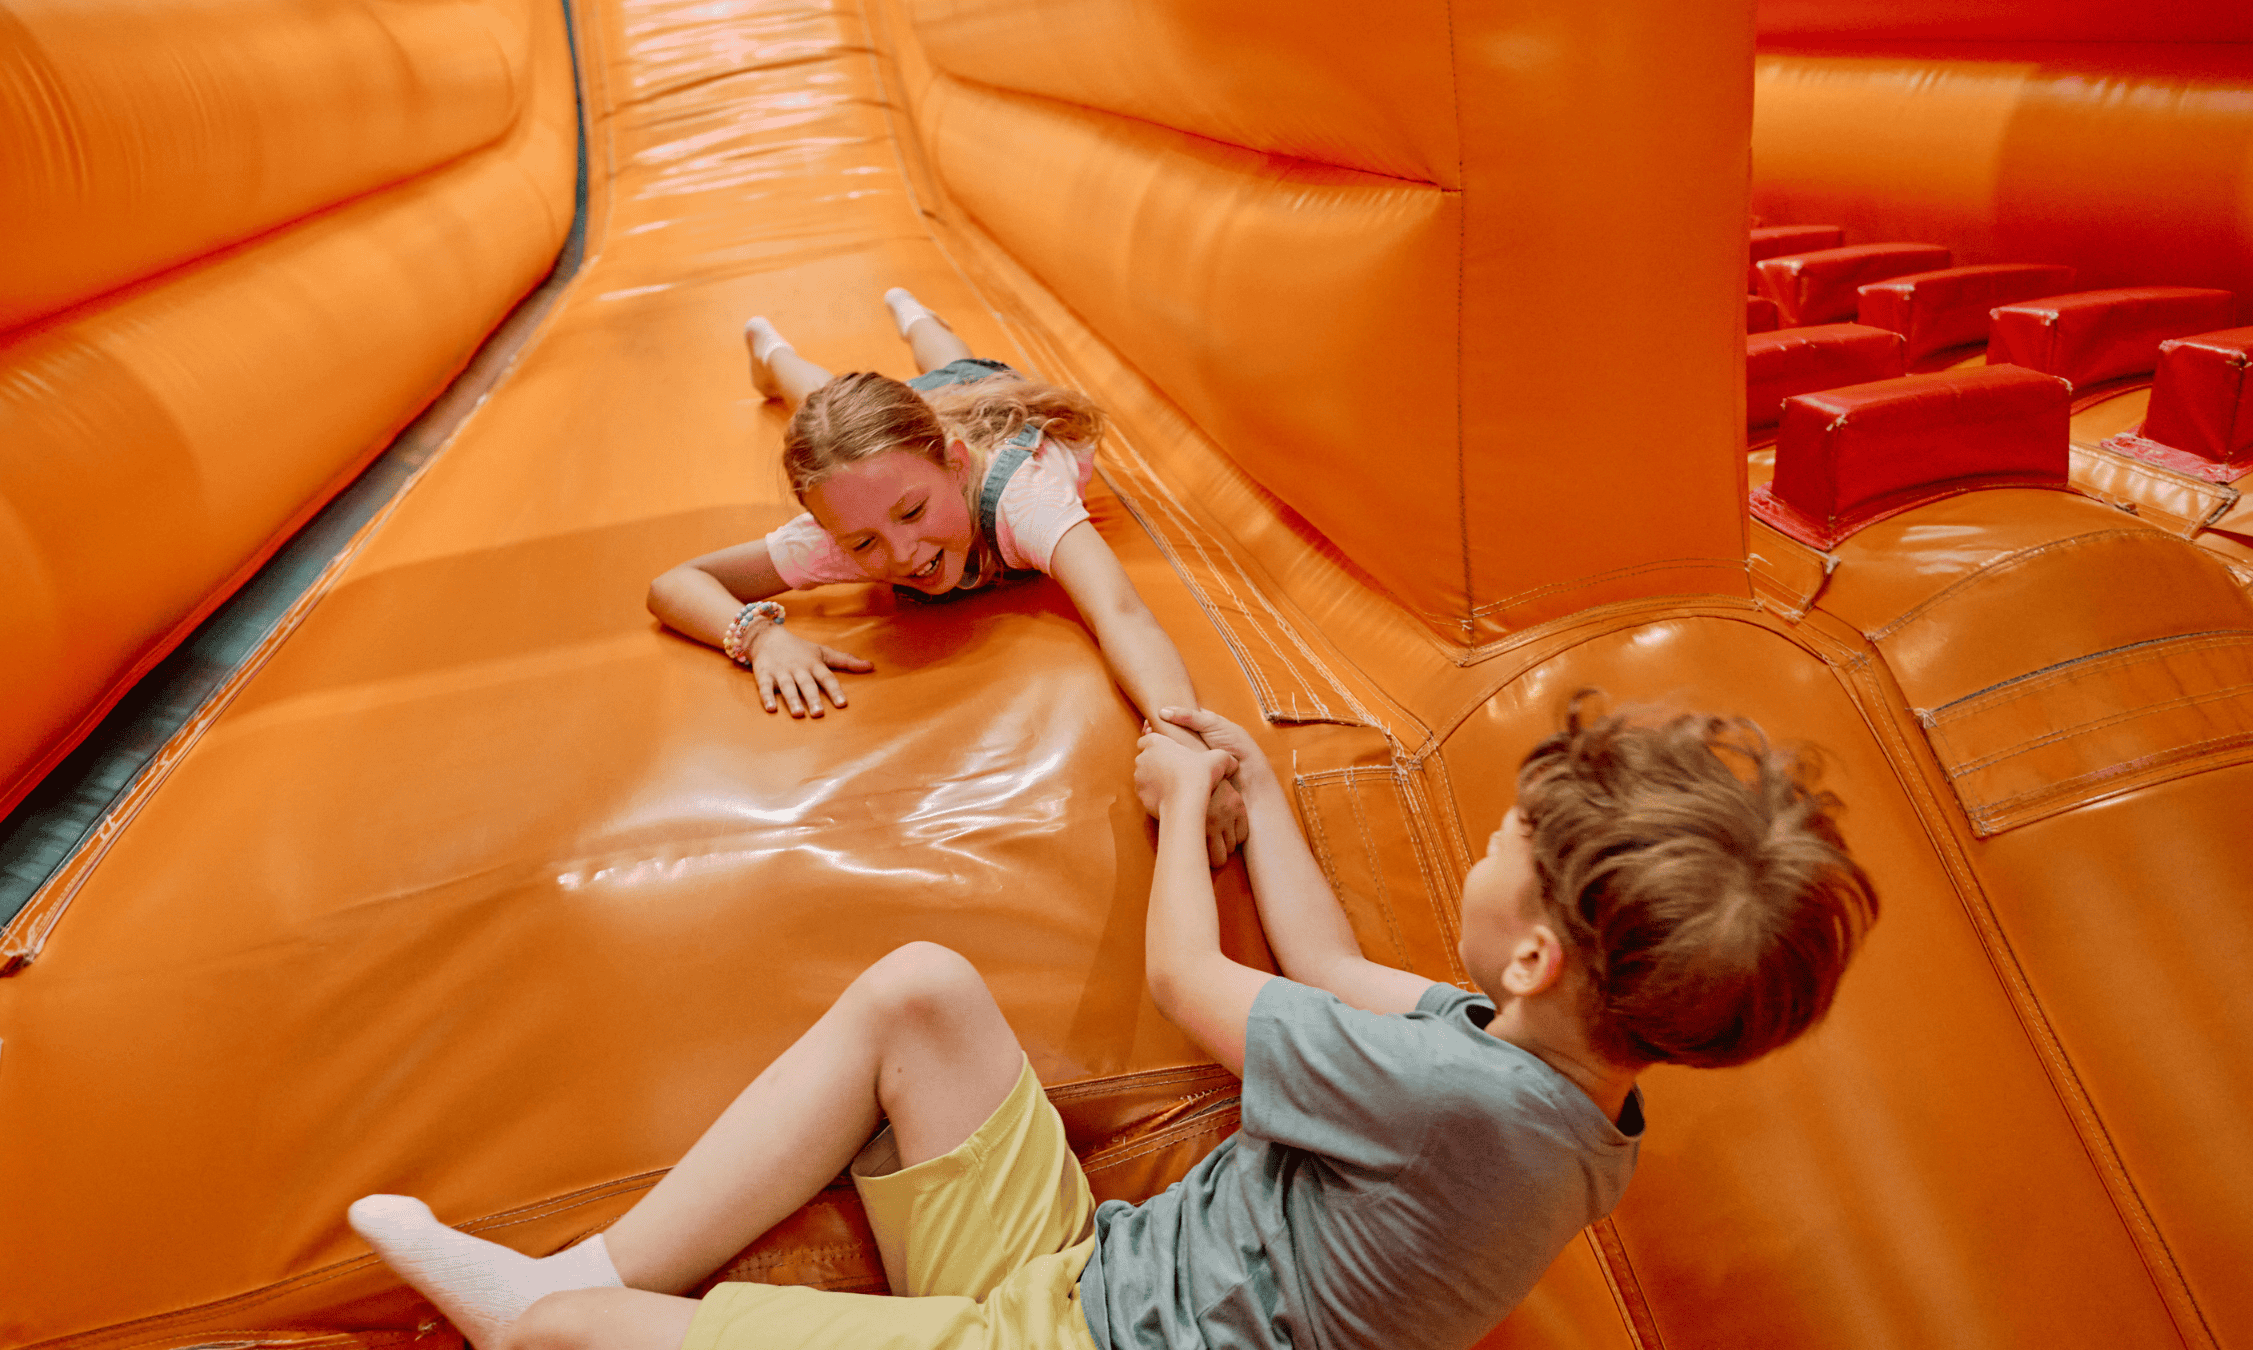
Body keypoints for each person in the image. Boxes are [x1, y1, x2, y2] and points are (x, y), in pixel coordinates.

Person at [347, 695, 1879, 1350]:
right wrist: (1261, 792)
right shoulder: (1561, 1098)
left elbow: (1192, 990)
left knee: (565, 1340)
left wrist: (1172, 816)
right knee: (923, 991)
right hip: (1088, 1276)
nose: (1477, 851)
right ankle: (591, 1265)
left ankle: (538, 1306)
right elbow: (1331, 959)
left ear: (1538, 948)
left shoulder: (1450, 1097)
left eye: (1498, 847)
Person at [646, 288, 1244, 864]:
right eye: (863, 542)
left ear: (955, 467)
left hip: (978, 399)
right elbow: (673, 583)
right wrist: (760, 635)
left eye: (913, 513)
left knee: (950, 361)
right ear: (828, 529)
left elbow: (1120, 612)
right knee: (824, 406)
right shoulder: (845, 531)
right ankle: (772, 353)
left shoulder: (1023, 501)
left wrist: (1189, 758)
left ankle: (912, 314)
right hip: (898, 434)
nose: (903, 553)